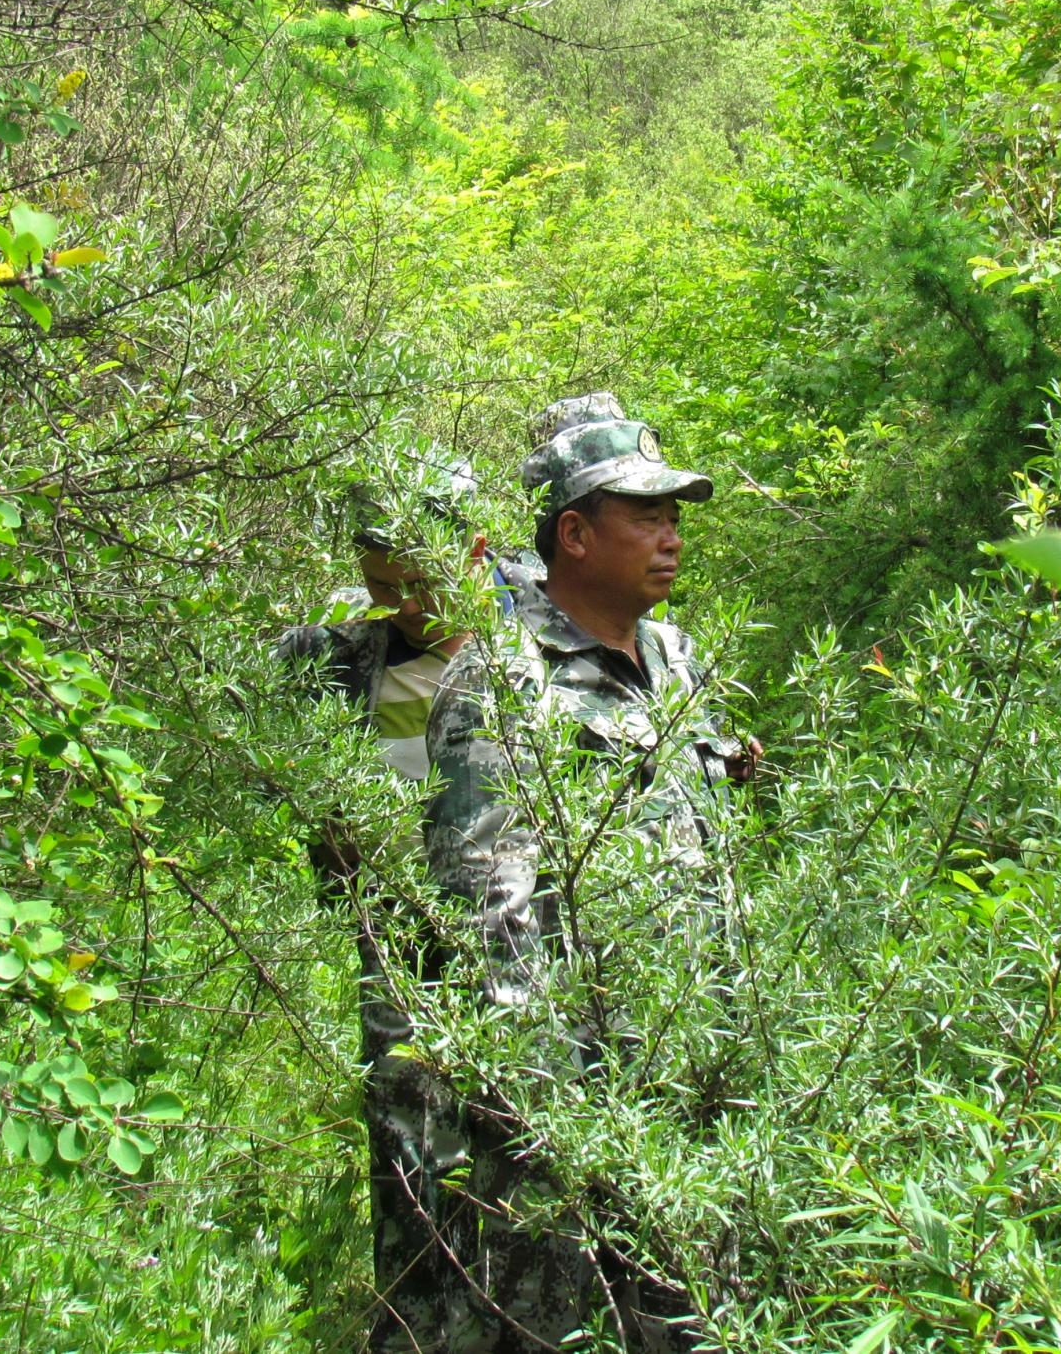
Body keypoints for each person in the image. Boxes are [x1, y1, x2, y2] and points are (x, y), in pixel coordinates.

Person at [414, 394, 755, 1353]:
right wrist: (571, 1134)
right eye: (646, 514)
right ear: (574, 534)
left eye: (675, 514)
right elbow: (491, 927)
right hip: (585, 1131)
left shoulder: (676, 661)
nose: (671, 535)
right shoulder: (504, 684)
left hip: (702, 1096)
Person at [276, 463, 515, 1354]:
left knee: (528, 1177)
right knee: (414, 1171)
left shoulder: (540, 639)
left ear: (474, 550)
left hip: (532, 955)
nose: (404, 605)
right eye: (383, 585)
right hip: (409, 961)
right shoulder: (342, 657)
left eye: (419, 580)